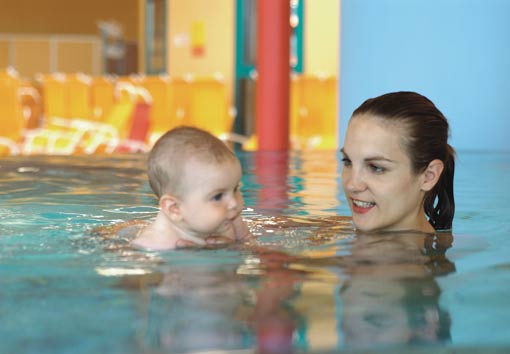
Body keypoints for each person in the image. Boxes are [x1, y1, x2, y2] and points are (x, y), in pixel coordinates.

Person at [340, 91, 455, 233]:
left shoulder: (445, 253)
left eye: (376, 168)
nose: (352, 185)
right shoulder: (332, 230)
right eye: (347, 161)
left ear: (428, 176)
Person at [130, 126, 250, 250]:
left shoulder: (231, 219)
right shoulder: (155, 244)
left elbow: (250, 246)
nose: (233, 203)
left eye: (235, 189)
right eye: (218, 196)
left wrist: (236, 246)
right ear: (175, 208)